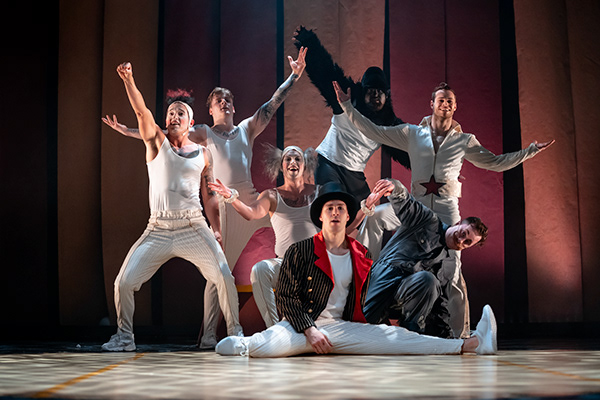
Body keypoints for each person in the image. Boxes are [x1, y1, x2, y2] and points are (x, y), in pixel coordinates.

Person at [102, 47, 307, 348]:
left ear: (233, 107)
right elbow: (156, 130)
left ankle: (251, 327)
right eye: (218, 100)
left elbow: (270, 105)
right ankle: (208, 335)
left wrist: (294, 77)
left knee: (284, 224)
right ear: (208, 111)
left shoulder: (244, 130)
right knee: (218, 275)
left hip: (243, 202)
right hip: (206, 211)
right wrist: (129, 130)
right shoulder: (202, 134)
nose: (224, 102)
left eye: (228, 99)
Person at [334, 81, 555, 337]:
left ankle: (459, 334)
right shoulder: (412, 133)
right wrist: (347, 106)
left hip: (446, 211)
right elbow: (374, 131)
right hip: (415, 209)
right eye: (441, 99)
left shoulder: (464, 141)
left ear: (455, 107)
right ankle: (365, 274)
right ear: (432, 104)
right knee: (376, 217)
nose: (446, 104)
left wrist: (529, 152)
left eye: (450, 101)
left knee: (452, 270)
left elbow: (495, 162)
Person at [214, 182, 497, 358]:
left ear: (349, 217)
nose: (335, 213)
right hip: (307, 324)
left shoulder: (361, 255)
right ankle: (247, 344)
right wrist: (309, 330)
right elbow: (287, 297)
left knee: (399, 339)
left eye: (341, 209)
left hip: (348, 327)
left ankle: (471, 344)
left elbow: (371, 299)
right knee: (257, 347)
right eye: (330, 208)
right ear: (320, 216)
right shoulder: (300, 251)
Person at [101, 62, 243, 352]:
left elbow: (210, 195)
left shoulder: (204, 154)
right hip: (158, 228)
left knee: (223, 276)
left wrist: (216, 230)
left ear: (191, 123)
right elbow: (142, 113)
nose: (174, 116)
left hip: (193, 226)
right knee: (124, 282)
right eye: (170, 113)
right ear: (165, 121)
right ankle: (125, 337)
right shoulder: (156, 142)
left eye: (181, 113)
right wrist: (129, 79)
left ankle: (235, 335)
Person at [292, 26, 410, 204]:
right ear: (363, 92)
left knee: (367, 212)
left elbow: (410, 152)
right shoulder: (347, 96)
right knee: (333, 200)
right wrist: (310, 43)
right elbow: (325, 72)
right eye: (370, 91)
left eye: (380, 92)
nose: (375, 95)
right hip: (328, 162)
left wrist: (437, 167)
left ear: (387, 96)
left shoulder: (389, 125)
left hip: (354, 173)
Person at [361, 178, 488, 338]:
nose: (461, 240)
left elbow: (440, 307)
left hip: (404, 296)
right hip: (384, 276)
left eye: (467, 242)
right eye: (463, 233)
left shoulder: (448, 265)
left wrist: (447, 339)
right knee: (363, 327)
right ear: (458, 223)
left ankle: (411, 336)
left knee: (428, 280)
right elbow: (405, 202)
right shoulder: (427, 220)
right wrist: (394, 187)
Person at [208, 144, 319, 328]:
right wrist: (231, 197)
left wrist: (365, 209)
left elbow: (341, 223)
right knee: (260, 270)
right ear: (281, 166)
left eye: (297, 159)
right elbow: (251, 213)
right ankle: (273, 329)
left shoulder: (318, 192)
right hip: (285, 264)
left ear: (304, 165)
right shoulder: (271, 196)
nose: (293, 162)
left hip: (316, 264)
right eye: (288, 159)